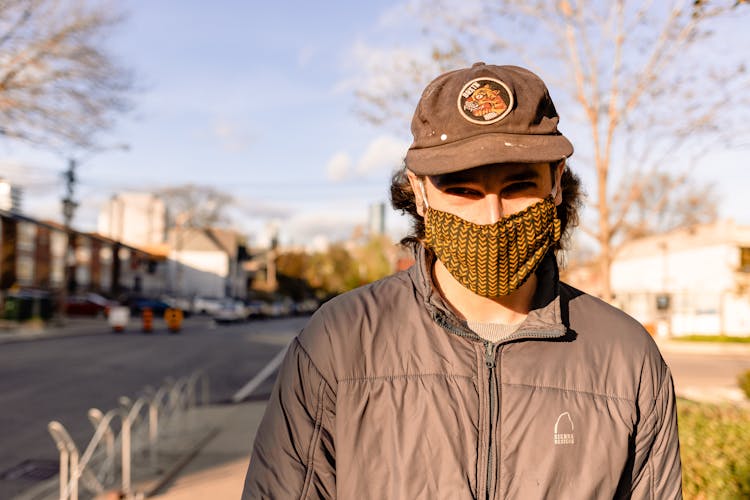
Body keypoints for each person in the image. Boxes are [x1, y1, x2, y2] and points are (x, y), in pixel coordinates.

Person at [242, 63, 682, 499]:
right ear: (419, 191)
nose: (493, 218)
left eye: (518, 186)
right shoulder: (339, 341)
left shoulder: (627, 358)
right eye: (463, 190)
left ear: (557, 183)